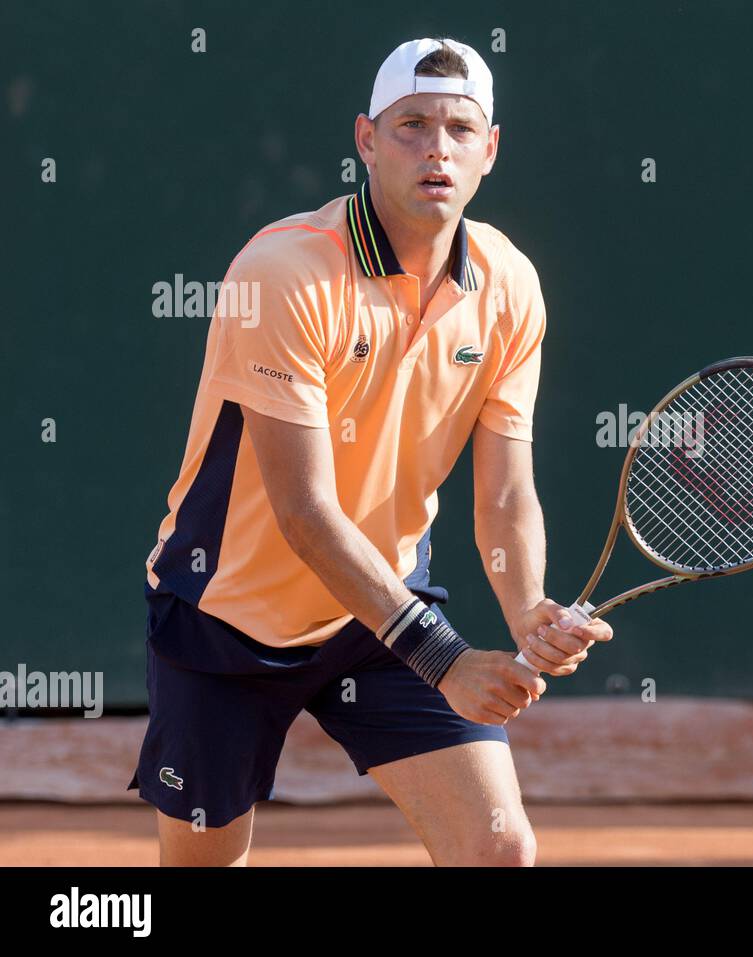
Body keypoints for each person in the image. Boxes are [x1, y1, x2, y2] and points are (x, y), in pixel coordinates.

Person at [129, 36, 612, 866]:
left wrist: (528, 604)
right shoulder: (285, 274)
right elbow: (306, 512)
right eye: (411, 125)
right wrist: (447, 657)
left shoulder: (509, 285)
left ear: (489, 150)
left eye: (461, 129)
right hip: (230, 614)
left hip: (381, 611)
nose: (437, 148)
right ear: (366, 140)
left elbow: (504, 493)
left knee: (498, 846)